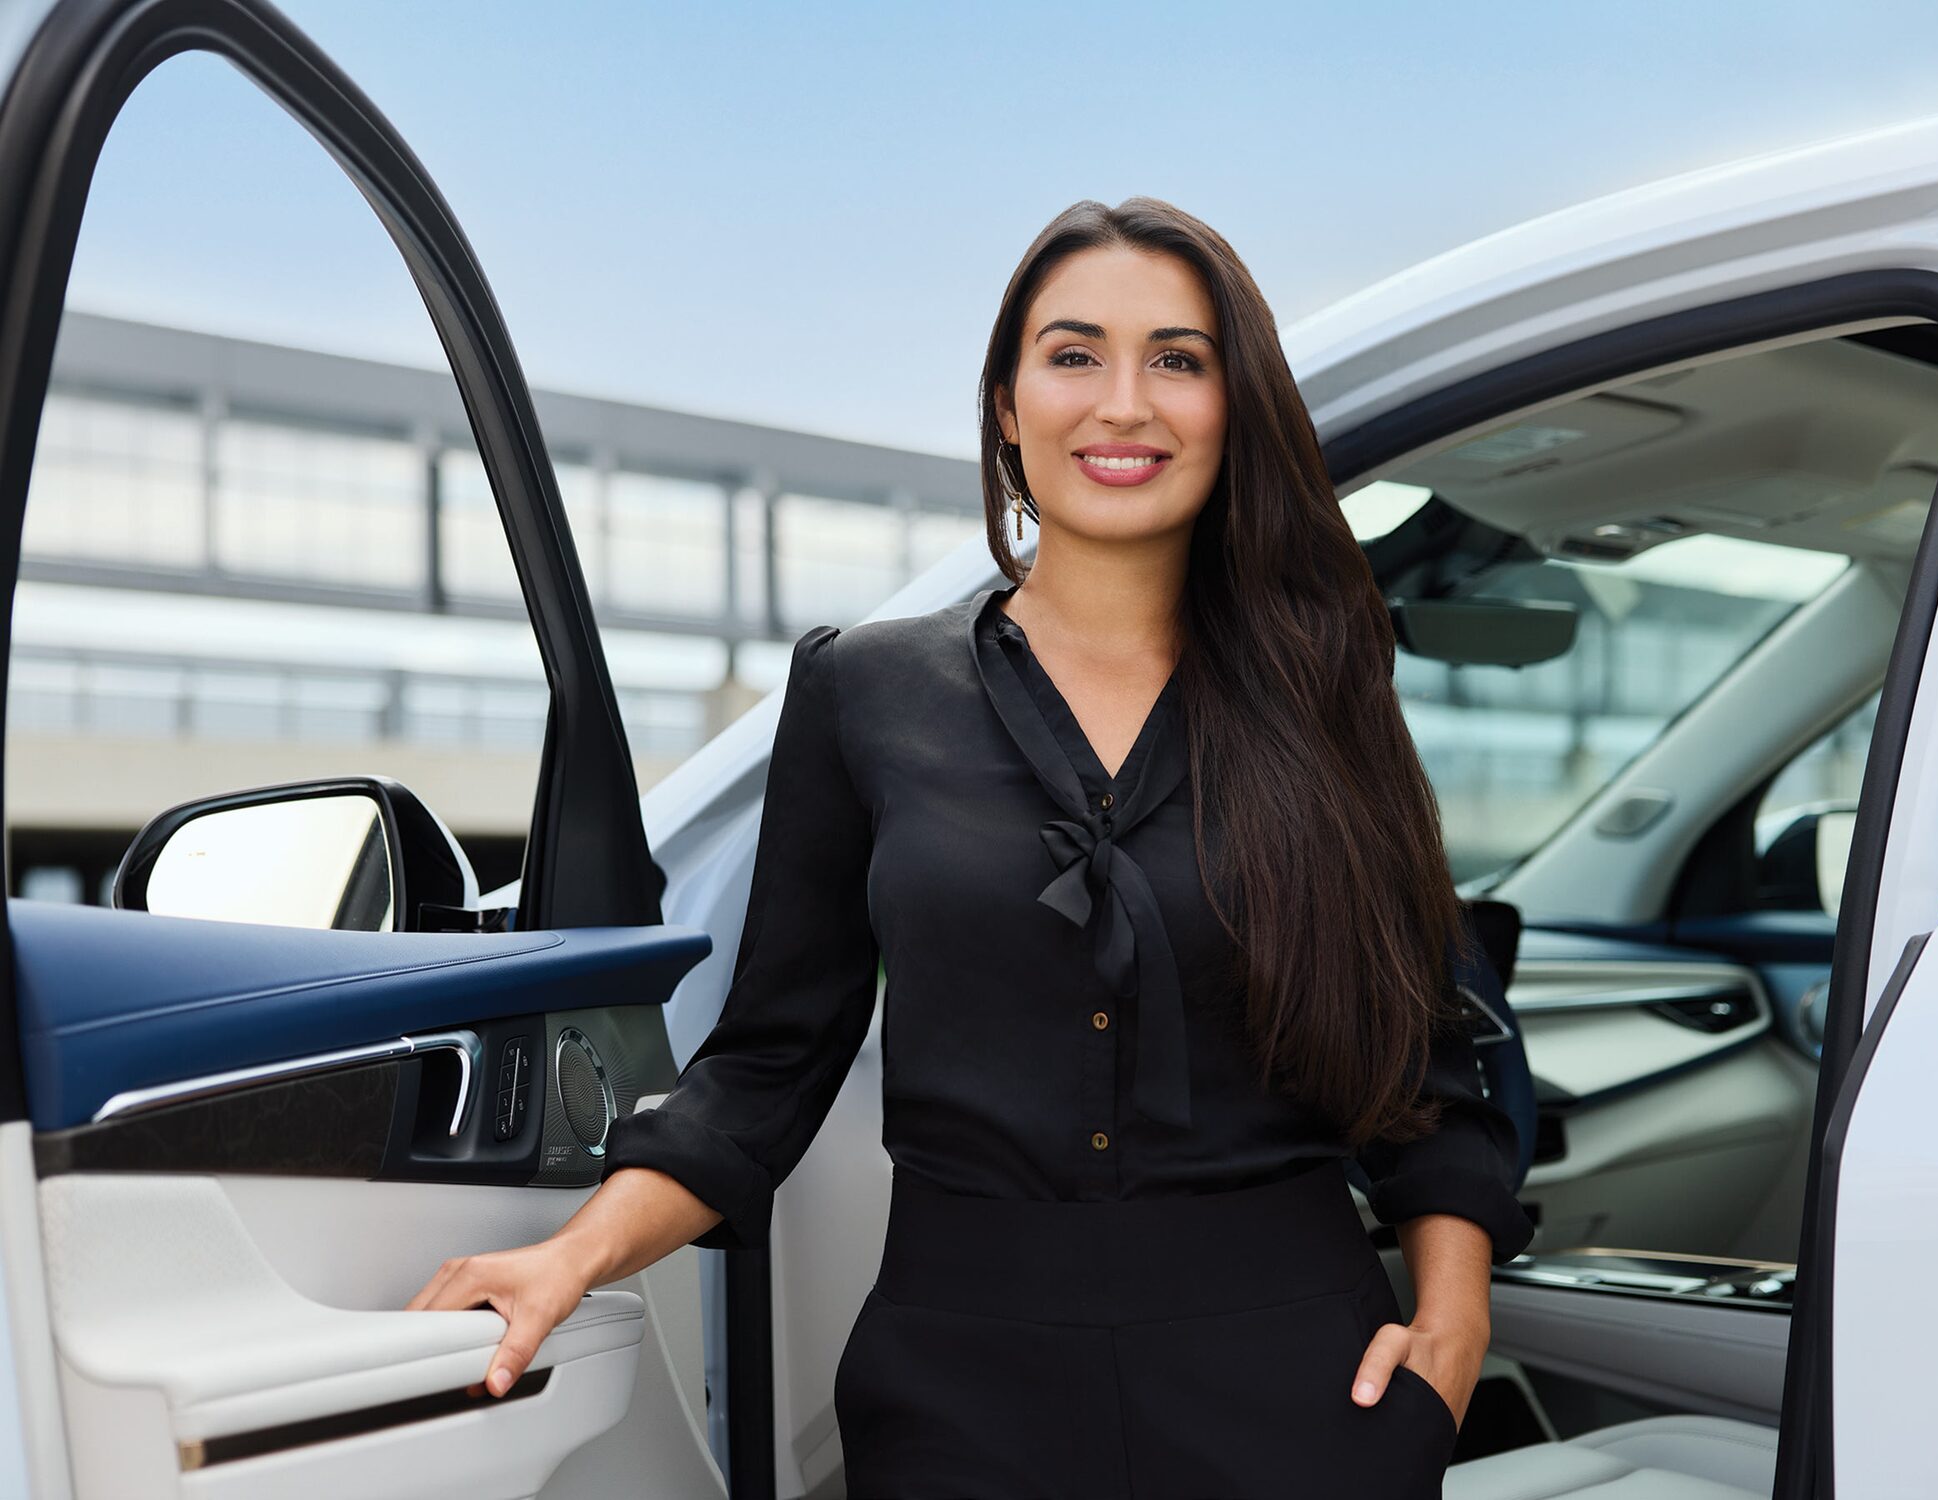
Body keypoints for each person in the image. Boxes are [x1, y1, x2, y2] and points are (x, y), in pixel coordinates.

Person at [406, 195, 1534, 1499]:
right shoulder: (863, 692)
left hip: (1300, 1390)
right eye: (1073, 355)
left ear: (1235, 405)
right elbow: (770, 1064)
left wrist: (1456, 1321)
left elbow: (1427, 1061)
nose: (1124, 403)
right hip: (962, 1398)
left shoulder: (1324, 688)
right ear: (1006, 402)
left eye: (1178, 358)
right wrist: (574, 1258)